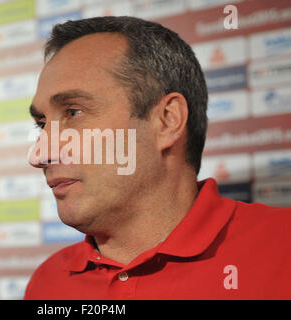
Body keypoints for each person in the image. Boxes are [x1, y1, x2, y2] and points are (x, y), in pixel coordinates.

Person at [24, 16, 291, 299]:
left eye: (73, 112)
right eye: (42, 124)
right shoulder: (48, 282)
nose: (40, 154)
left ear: (166, 121)